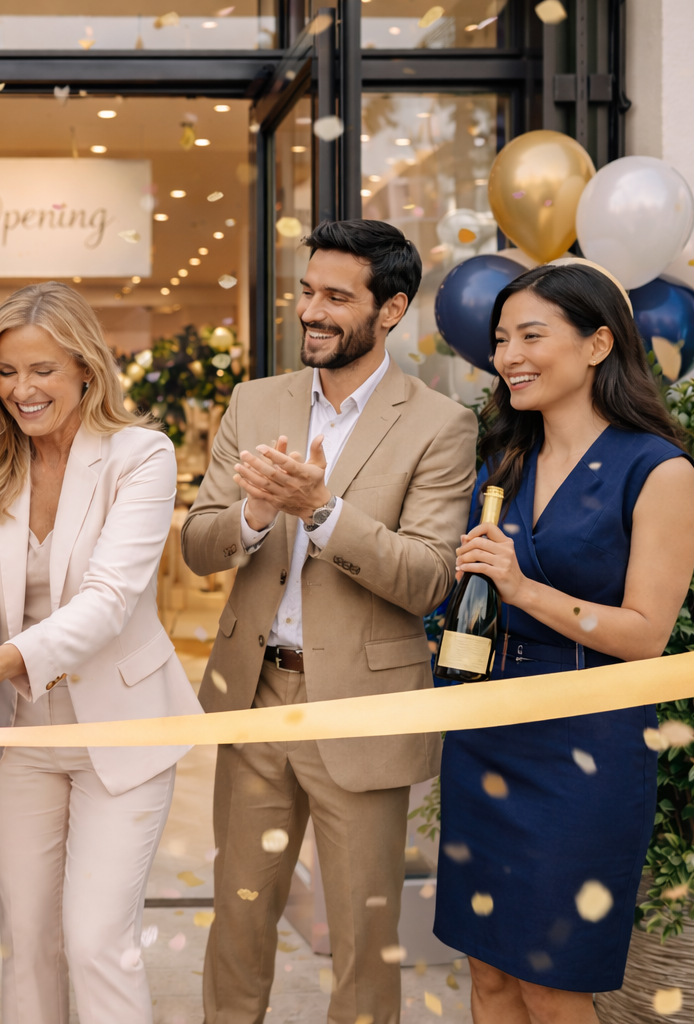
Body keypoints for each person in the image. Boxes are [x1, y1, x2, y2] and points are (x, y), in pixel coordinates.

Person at [182, 220, 478, 1024]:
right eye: (308, 291)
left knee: (362, 934)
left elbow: (428, 579)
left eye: (336, 297)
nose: (311, 310)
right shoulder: (255, 400)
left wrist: (321, 510)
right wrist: (250, 513)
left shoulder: (440, 425)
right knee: (240, 923)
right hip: (255, 697)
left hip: (365, 709)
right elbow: (198, 546)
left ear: (392, 310)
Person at [0, 282, 203, 1024]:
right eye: (7, 372)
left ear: (86, 368)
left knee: (97, 940)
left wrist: (2, 661)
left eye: (42, 370)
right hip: (18, 734)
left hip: (123, 727)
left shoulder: (141, 456)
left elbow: (109, 602)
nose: (22, 390)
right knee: (29, 939)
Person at [433, 263, 694, 1020]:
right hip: (486, 732)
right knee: (487, 973)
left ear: (597, 344)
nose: (508, 354)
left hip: (587, 746)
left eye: (530, 335)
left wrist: (522, 588)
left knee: (553, 981)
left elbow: (647, 636)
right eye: (499, 340)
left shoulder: (657, 470)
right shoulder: (503, 462)